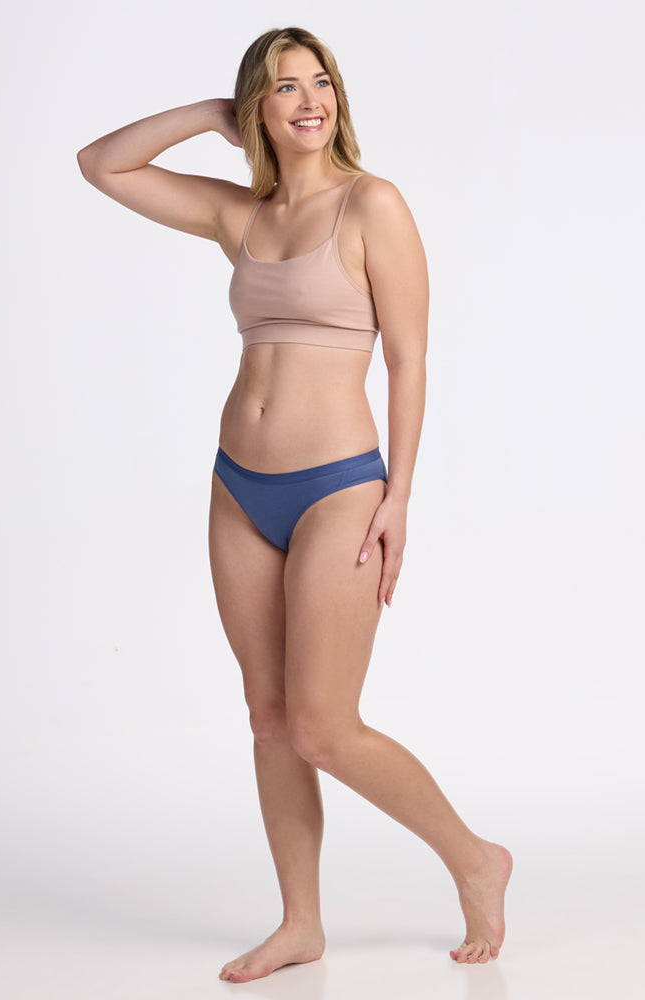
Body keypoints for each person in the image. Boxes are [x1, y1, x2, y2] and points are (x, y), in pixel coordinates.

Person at [77, 25, 512, 984]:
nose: (309, 101)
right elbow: (101, 165)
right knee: (269, 717)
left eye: (320, 82)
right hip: (239, 487)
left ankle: (476, 858)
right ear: (258, 109)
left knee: (323, 724)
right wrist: (210, 114)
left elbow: (408, 360)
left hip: (339, 488)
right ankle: (301, 923)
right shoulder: (239, 214)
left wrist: (400, 495)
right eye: (284, 88)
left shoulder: (372, 204)